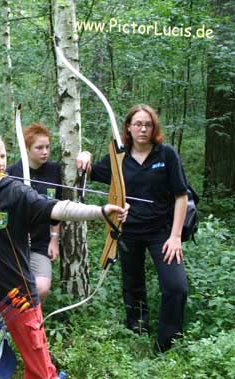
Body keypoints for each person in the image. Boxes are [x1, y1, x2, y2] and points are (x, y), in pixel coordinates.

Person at [0, 127, 128, 379]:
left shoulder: (16, 193)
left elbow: (59, 208)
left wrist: (101, 211)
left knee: (38, 360)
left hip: (18, 292)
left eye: (3, 156)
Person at [76, 104, 189, 353]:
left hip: (162, 232)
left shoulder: (166, 155)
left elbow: (181, 196)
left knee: (176, 286)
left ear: (154, 128)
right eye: (137, 124)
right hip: (128, 231)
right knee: (133, 285)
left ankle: (167, 345)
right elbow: (89, 171)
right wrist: (84, 155)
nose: (143, 129)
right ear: (128, 127)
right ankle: (137, 332)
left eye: (148, 124)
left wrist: (175, 236)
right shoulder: (119, 158)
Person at [7, 123, 62, 304]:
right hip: (15, 242)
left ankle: (32, 322)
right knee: (11, 286)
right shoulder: (12, 172)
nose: (45, 151)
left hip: (40, 243)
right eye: (39, 147)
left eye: (47, 147)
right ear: (27, 149)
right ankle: (10, 323)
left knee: (42, 287)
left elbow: (58, 209)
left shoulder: (55, 171)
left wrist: (54, 240)